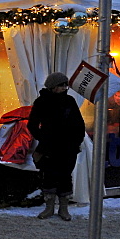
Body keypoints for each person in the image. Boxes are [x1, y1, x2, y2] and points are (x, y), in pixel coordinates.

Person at [27, 72, 85, 221]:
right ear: (53, 86)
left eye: (66, 85)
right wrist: (44, 138)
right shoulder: (41, 102)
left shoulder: (69, 101)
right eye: (61, 85)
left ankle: (63, 209)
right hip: (49, 148)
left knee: (65, 177)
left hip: (68, 147)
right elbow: (32, 124)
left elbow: (79, 123)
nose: (64, 88)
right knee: (49, 177)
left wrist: (76, 140)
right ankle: (49, 208)